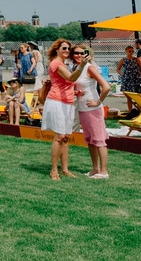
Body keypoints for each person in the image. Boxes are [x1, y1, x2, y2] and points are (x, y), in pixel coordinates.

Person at [39, 39, 91, 181]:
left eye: (68, 49)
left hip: (67, 103)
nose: (67, 51)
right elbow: (71, 77)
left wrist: (74, 92)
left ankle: (65, 169)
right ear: (57, 49)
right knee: (60, 137)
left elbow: (66, 83)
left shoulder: (63, 64)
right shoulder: (56, 64)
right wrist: (83, 65)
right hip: (57, 102)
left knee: (66, 137)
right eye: (64, 48)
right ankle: (54, 170)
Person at [72, 44, 110, 178]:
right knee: (90, 140)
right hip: (82, 109)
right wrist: (76, 92)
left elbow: (106, 86)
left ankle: (104, 171)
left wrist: (98, 101)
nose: (78, 55)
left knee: (99, 140)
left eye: (82, 53)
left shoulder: (89, 68)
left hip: (93, 109)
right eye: (75, 53)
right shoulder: (77, 68)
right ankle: (95, 168)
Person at [116, 45, 141, 112]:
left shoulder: (136, 59)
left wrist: (140, 75)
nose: (131, 52)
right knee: (128, 97)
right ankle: (130, 111)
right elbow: (117, 69)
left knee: (137, 96)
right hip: (127, 79)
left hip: (136, 79)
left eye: (132, 51)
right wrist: (122, 75)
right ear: (126, 51)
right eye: (130, 51)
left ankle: (138, 111)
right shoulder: (123, 60)